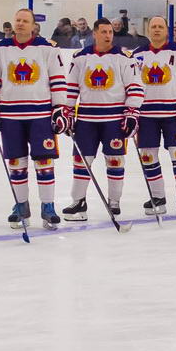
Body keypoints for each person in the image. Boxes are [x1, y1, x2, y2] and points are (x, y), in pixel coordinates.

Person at [0, 8, 70, 230]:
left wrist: (59, 108)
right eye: (18, 20)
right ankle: (21, 205)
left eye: (25, 21)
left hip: (40, 115)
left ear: (34, 25)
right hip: (10, 116)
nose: (21, 24)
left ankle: (48, 206)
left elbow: (58, 79)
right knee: (16, 163)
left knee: (44, 162)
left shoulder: (48, 47)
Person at [57, 17, 136, 221]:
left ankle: (114, 201)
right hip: (86, 119)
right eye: (104, 32)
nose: (108, 35)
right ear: (94, 33)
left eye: (110, 32)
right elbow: (71, 87)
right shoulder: (80, 57)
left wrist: (132, 112)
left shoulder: (124, 57)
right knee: (81, 160)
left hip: (114, 119)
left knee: (115, 160)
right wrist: (67, 111)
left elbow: (135, 87)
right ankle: (78, 202)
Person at [130, 15, 176, 215]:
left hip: (173, 114)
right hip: (146, 116)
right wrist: (131, 111)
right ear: (148, 30)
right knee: (148, 156)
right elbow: (131, 84)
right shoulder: (137, 55)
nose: (157, 29)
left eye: (160, 26)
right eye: (153, 26)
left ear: (167, 30)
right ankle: (157, 197)